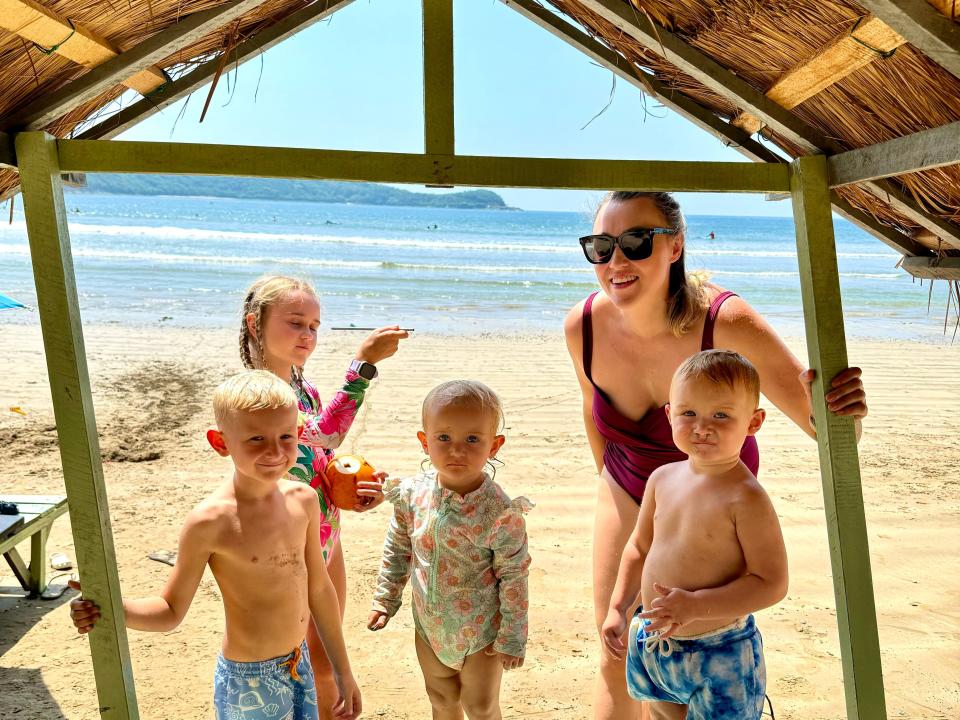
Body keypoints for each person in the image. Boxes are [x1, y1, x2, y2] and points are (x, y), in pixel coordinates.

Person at [563, 191, 867, 719]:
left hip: (713, 495)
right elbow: (594, 418)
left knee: (702, 639)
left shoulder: (725, 322)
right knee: (616, 643)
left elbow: (823, 426)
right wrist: (617, 499)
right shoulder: (583, 326)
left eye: (636, 242)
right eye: (600, 245)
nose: (616, 260)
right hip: (628, 480)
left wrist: (846, 412)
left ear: (675, 245)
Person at [68, 370, 362, 720]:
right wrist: (111, 607)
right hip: (249, 681)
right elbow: (169, 611)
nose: (275, 451)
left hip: (299, 665)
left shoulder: (304, 499)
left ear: (300, 434)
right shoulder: (210, 522)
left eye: (285, 436)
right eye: (256, 439)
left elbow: (319, 589)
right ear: (221, 443)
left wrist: (342, 669)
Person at [239, 274, 408, 714]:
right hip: (287, 549)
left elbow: (317, 459)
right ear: (255, 324)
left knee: (327, 661)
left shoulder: (305, 390)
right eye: (296, 322)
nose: (308, 335)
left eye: (314, 326)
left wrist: (354, 487)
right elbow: (328, 434)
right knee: (290, 664)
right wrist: (363, 366)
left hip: (327, 536)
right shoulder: (254, 397)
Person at [601, 350, 787, 719]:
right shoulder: (662, 478)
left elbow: (771, 582)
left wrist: (696, 604)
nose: (702, 426)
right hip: (656, 641)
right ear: (669, 415)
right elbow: (639, 547)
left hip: (720, 651)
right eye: (689, 413)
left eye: (721, 414)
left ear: (754, 422)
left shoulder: (745, 497)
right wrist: (618, 607)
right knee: (659, 713)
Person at [367, 380, 532, 720]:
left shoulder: (499, 511)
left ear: (494, 445)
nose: (457, 449)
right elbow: (398, 548)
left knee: (480, 706)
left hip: (482, 629)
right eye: (444, 438)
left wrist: (512, 635)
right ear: (425, 442)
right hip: (429, 624)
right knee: (441, 699)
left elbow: (514, 575)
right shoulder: (412, 495)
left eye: (472, 439)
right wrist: (386, 599)